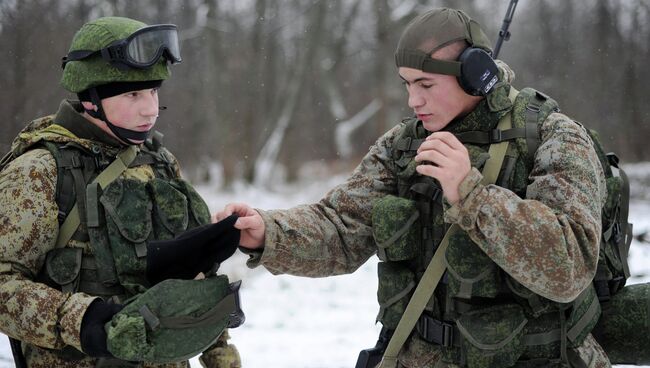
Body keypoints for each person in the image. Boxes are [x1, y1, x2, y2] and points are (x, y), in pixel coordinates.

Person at [215, 8, 612, 368]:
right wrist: (268, 233)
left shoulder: (550, 136)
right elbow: (343, 226)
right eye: (407, 84)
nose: (413, 100)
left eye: (425, 84)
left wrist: (472, 195)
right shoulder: (405, 144)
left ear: (474, 74)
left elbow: (570, 266)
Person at [0, 17, 241, 367]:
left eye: (154, 91)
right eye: (133, 94)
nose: (151, 109)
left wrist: (219, 351)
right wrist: (83, 320)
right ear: (91, 99)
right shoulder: (40, 170)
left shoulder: (160, 162)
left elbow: (190, 278)